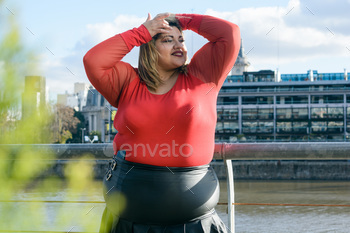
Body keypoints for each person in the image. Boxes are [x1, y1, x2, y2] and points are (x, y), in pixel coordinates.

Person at [84, 12, 240, 233]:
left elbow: (229, 33)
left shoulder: (203, 74)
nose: (179, 46)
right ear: (149, 46)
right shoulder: (128, 81)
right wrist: (141, 32)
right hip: (127, 222)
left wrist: (181, 19)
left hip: (194, 223)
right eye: (168, 40)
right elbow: (93, 60)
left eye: (181, 39)